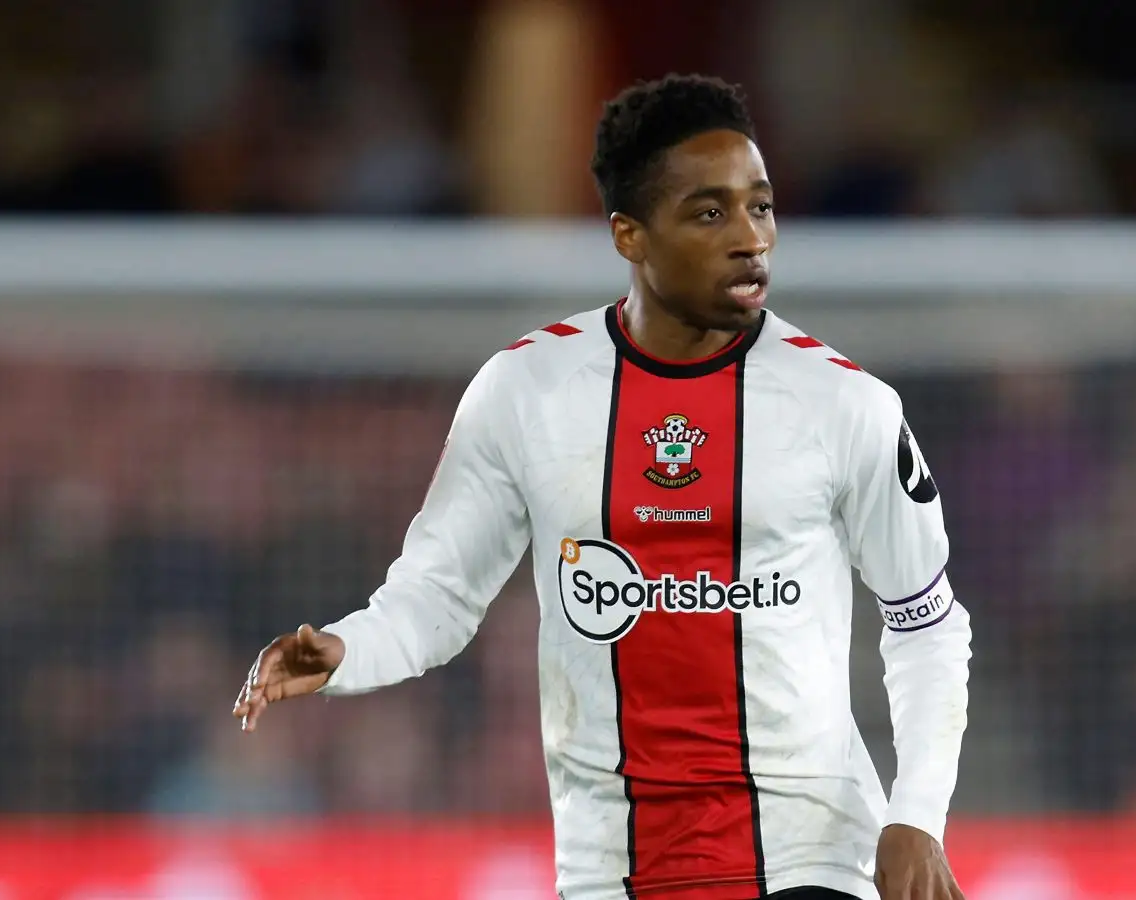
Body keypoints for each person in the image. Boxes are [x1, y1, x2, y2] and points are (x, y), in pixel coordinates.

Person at [232, 73, 972, 900]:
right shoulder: (528, 391)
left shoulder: (846, 404)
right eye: (709, 212)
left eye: (760, 206)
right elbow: (438, 598)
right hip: (610, 870)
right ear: (630, 235)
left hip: (810, 860)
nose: (750, 238)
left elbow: (926, 623)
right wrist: (346, 652)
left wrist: (917, 814)